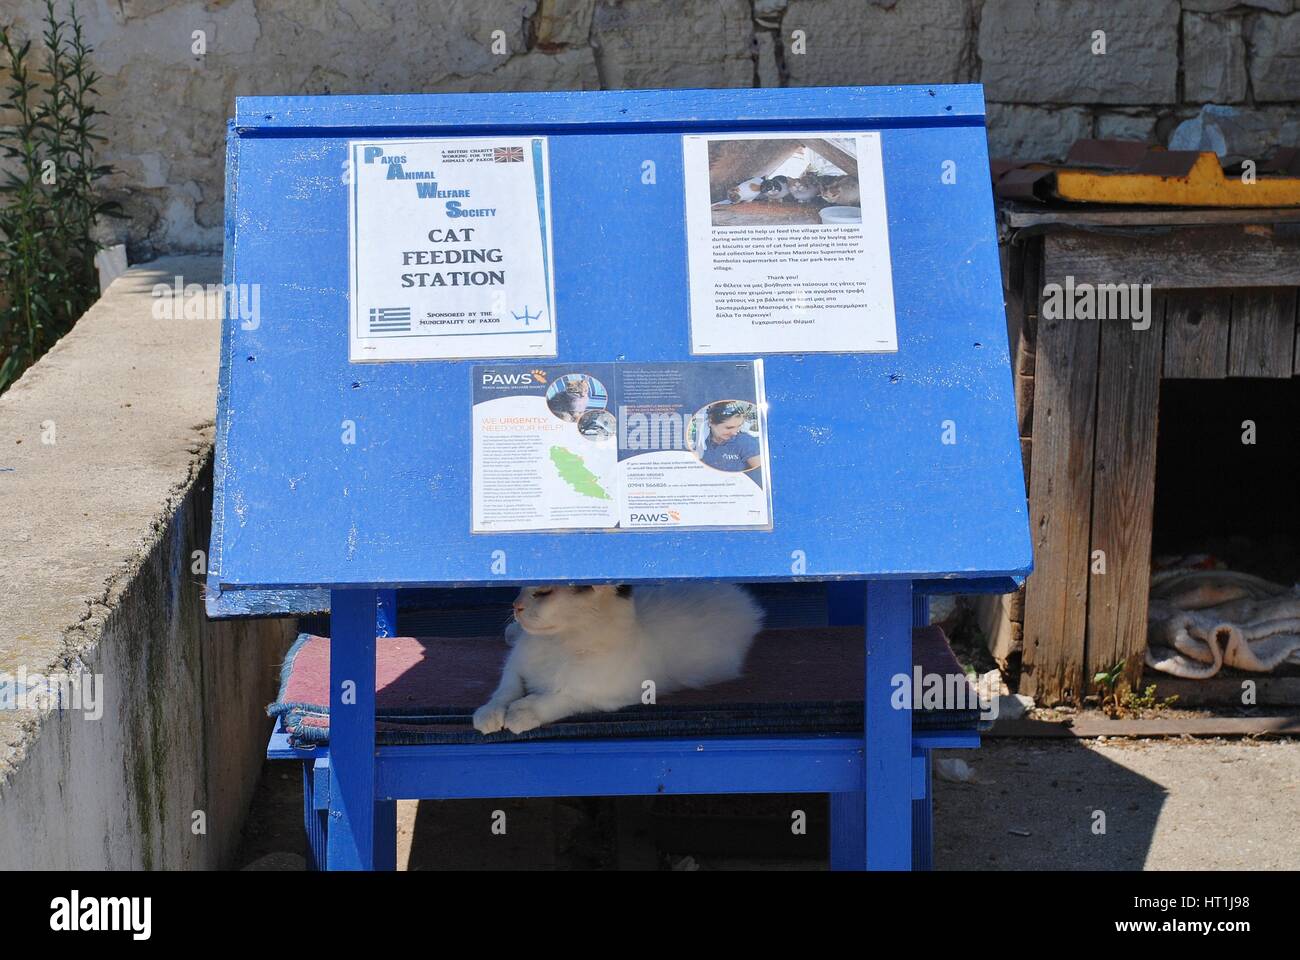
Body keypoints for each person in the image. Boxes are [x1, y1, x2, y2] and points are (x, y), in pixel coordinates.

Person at [696, 401, 761, 473]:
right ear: (711, 422)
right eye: (729, 427)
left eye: (739, 426)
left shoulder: (746, 442)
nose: (735, 432)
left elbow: (760, 473)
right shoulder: (701, 443)